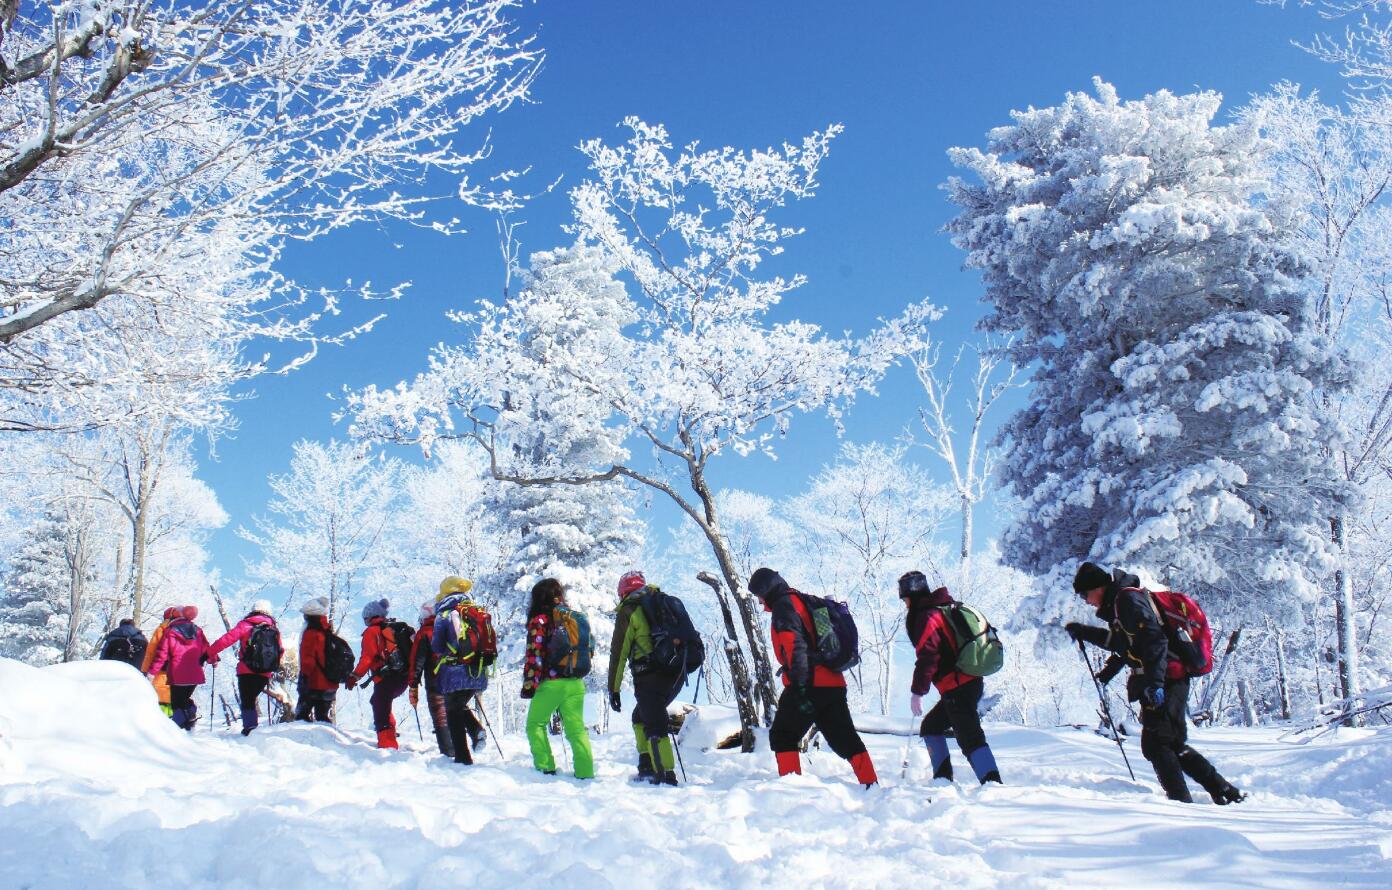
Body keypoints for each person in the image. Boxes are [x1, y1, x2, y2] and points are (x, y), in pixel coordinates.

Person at [1067, 561, 1245, 805]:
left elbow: (1155, 641)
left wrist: (1155, 684)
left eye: (1084, 594)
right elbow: (1126, 644)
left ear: (1097, 587)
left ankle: (1183, 802)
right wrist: (1085, 633)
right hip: (1166, 678)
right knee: (1168, 742)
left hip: (1168, 679)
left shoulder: (1126, 600)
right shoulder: (1120, 604)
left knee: (1158, 744)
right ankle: (1222, 790)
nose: (1086, 601)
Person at [748, 567, 878, 788]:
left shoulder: (784, 606)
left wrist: (798, 685)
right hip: (833, 682)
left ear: (766, 589)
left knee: (782, 735)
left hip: (809, 683)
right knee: (843, 738)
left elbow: (794, 644)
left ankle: (791, 790)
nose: (760, 602)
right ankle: (871, 784)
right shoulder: (803, 600)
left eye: (759, 596)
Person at [899, 570, 1002, 785]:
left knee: (969, 736)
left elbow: (928, 656)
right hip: (965, 683)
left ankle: (992, 782)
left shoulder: (927, 617)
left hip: (958, 685)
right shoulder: (940, 610)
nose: (906, 605)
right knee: (931, 727)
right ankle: (943, 780)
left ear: (912, 596)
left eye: (905, 599)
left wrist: (917, 691)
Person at [607, 570, 680, 785]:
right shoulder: (662, 603)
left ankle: (665, 775)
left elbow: (618, 653)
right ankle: (647, 765)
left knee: (654, 724)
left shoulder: (629, 611)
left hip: (648, 675)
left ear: (623, 592)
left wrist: (614, 688)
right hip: (673, 672)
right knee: (640, 716)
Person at [521, 578, 594, 779]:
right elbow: (589, 648)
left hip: (551, 684)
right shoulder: (575, 618)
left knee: (535, 724)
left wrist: (530, 684)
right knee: (576, 729)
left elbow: (534, 655)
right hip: (576, 683)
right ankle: (586, 772)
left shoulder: (540, 621)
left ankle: (545, 767)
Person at [431, 576, 493, 765]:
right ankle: (476, 731)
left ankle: (462, 757)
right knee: (457, 706)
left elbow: (437, 646)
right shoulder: (477, 611)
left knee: (452, 711)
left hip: (455, 670)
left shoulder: (444, 614)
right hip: (479, 669)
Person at [209, 599, 281, 736]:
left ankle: (250, 729)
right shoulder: (274, 629)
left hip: (246, 671)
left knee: (247, 700)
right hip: (265, 673)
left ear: (253, 610)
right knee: (252, 698)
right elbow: (280, 650)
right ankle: (252, 730)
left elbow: (226, 640)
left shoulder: (245, 625)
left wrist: (209, 652)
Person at [347, 598, 409, 750]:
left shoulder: (372, 632)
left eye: (364, 617)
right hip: (403, 676)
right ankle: (391, 736)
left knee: (381, 709)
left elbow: (367, 657)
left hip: (386, 677)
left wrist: (354, 676)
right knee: (378, 702)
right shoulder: (392, 628)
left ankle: (388, 745)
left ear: (369, 616)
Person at [146, 606, 215, 731]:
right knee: (184, 699)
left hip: (177, 674)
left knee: (176, 703)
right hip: (195, 675)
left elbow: (161, 654)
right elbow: (207, 648)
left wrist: (151, 673)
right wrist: (213, 660)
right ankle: (190, 714)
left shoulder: (170, 631)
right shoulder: (198, 630)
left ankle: (180, 729)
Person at [295, 597, 337, 723]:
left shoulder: (311, 633)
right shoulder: (328, 631)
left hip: (313, 681)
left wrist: (304, 676)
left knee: (302, 717)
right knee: (322, 718)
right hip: (330, 682)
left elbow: (308, 659)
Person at [142, 607, 181, 717]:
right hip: (181, 672)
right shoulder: (190, 630)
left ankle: (164, 724)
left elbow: (151, 651)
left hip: (162, 669)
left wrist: (145, 670)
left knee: (161, 696)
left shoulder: (162, 629)